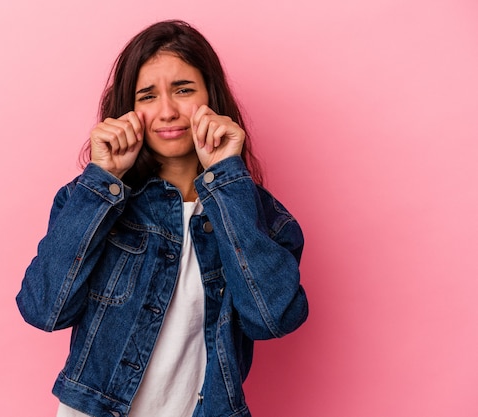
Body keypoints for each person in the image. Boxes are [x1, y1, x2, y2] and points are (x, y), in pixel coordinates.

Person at [16, 19, 308, 417]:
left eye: (183, 90)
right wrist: (103, 181)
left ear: (211, 97)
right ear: (129, 111)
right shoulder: (89, 200)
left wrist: (226, 180)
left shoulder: (261, 216)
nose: (168, 112)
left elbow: (272, 319)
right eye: (148, 96)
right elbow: (44, 309)